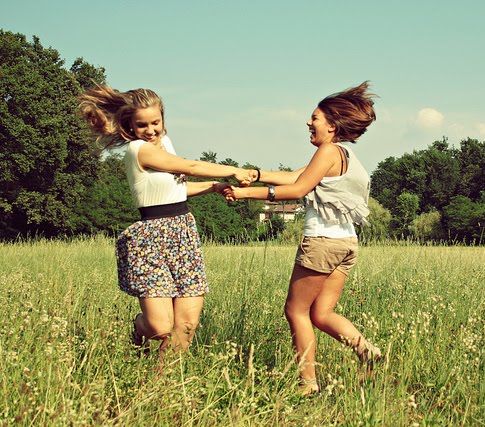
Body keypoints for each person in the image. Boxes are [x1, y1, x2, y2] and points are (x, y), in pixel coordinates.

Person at [224, 81, 382, 394]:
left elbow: (297, 189)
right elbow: (296, 176)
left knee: (296, 311)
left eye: (315, 118)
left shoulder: (327, 151)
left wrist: (246, 193)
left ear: (332, 125)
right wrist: (256, 174)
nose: (309, 123)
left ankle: (307, 385)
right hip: (345, 243)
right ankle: (369, 353)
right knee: (321, 313)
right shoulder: (344, 154)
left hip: (322, 242)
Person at [78, 85, 252, 356]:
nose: (151, 130)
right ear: (131, 126)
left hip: (183, 232)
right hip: (149, 239)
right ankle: (139, 326)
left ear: (163, 119)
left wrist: (214, 186)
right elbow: (190, 167)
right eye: (142, 125)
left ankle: (162, 390)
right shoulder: (139, 150)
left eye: (155, 122)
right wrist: (234, 171)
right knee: (161, 328)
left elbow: (176, 189)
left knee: (185, 326)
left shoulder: (166, 143)